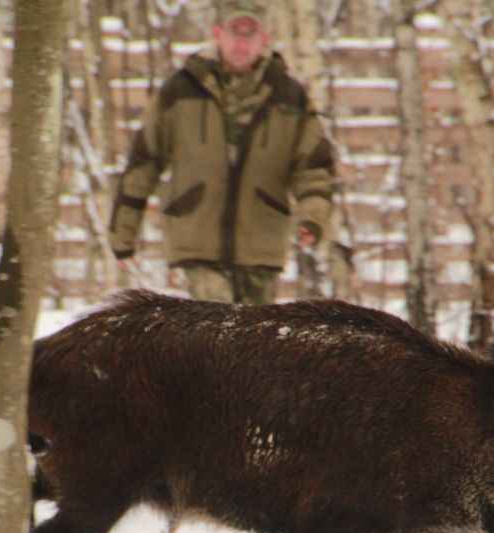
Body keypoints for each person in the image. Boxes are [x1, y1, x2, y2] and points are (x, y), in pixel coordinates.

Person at [108, 0, 336, 305]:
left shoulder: (289, 95)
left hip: (262, 243)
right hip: (196, 240)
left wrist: (312, 218)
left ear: (264, 39)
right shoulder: (181, 89)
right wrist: (123, 235)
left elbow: (313, 167)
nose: (241, 42)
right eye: (235, 32)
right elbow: (145, 161)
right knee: (215, 328)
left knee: (255, 343)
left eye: (250, 33)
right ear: (218, 33)